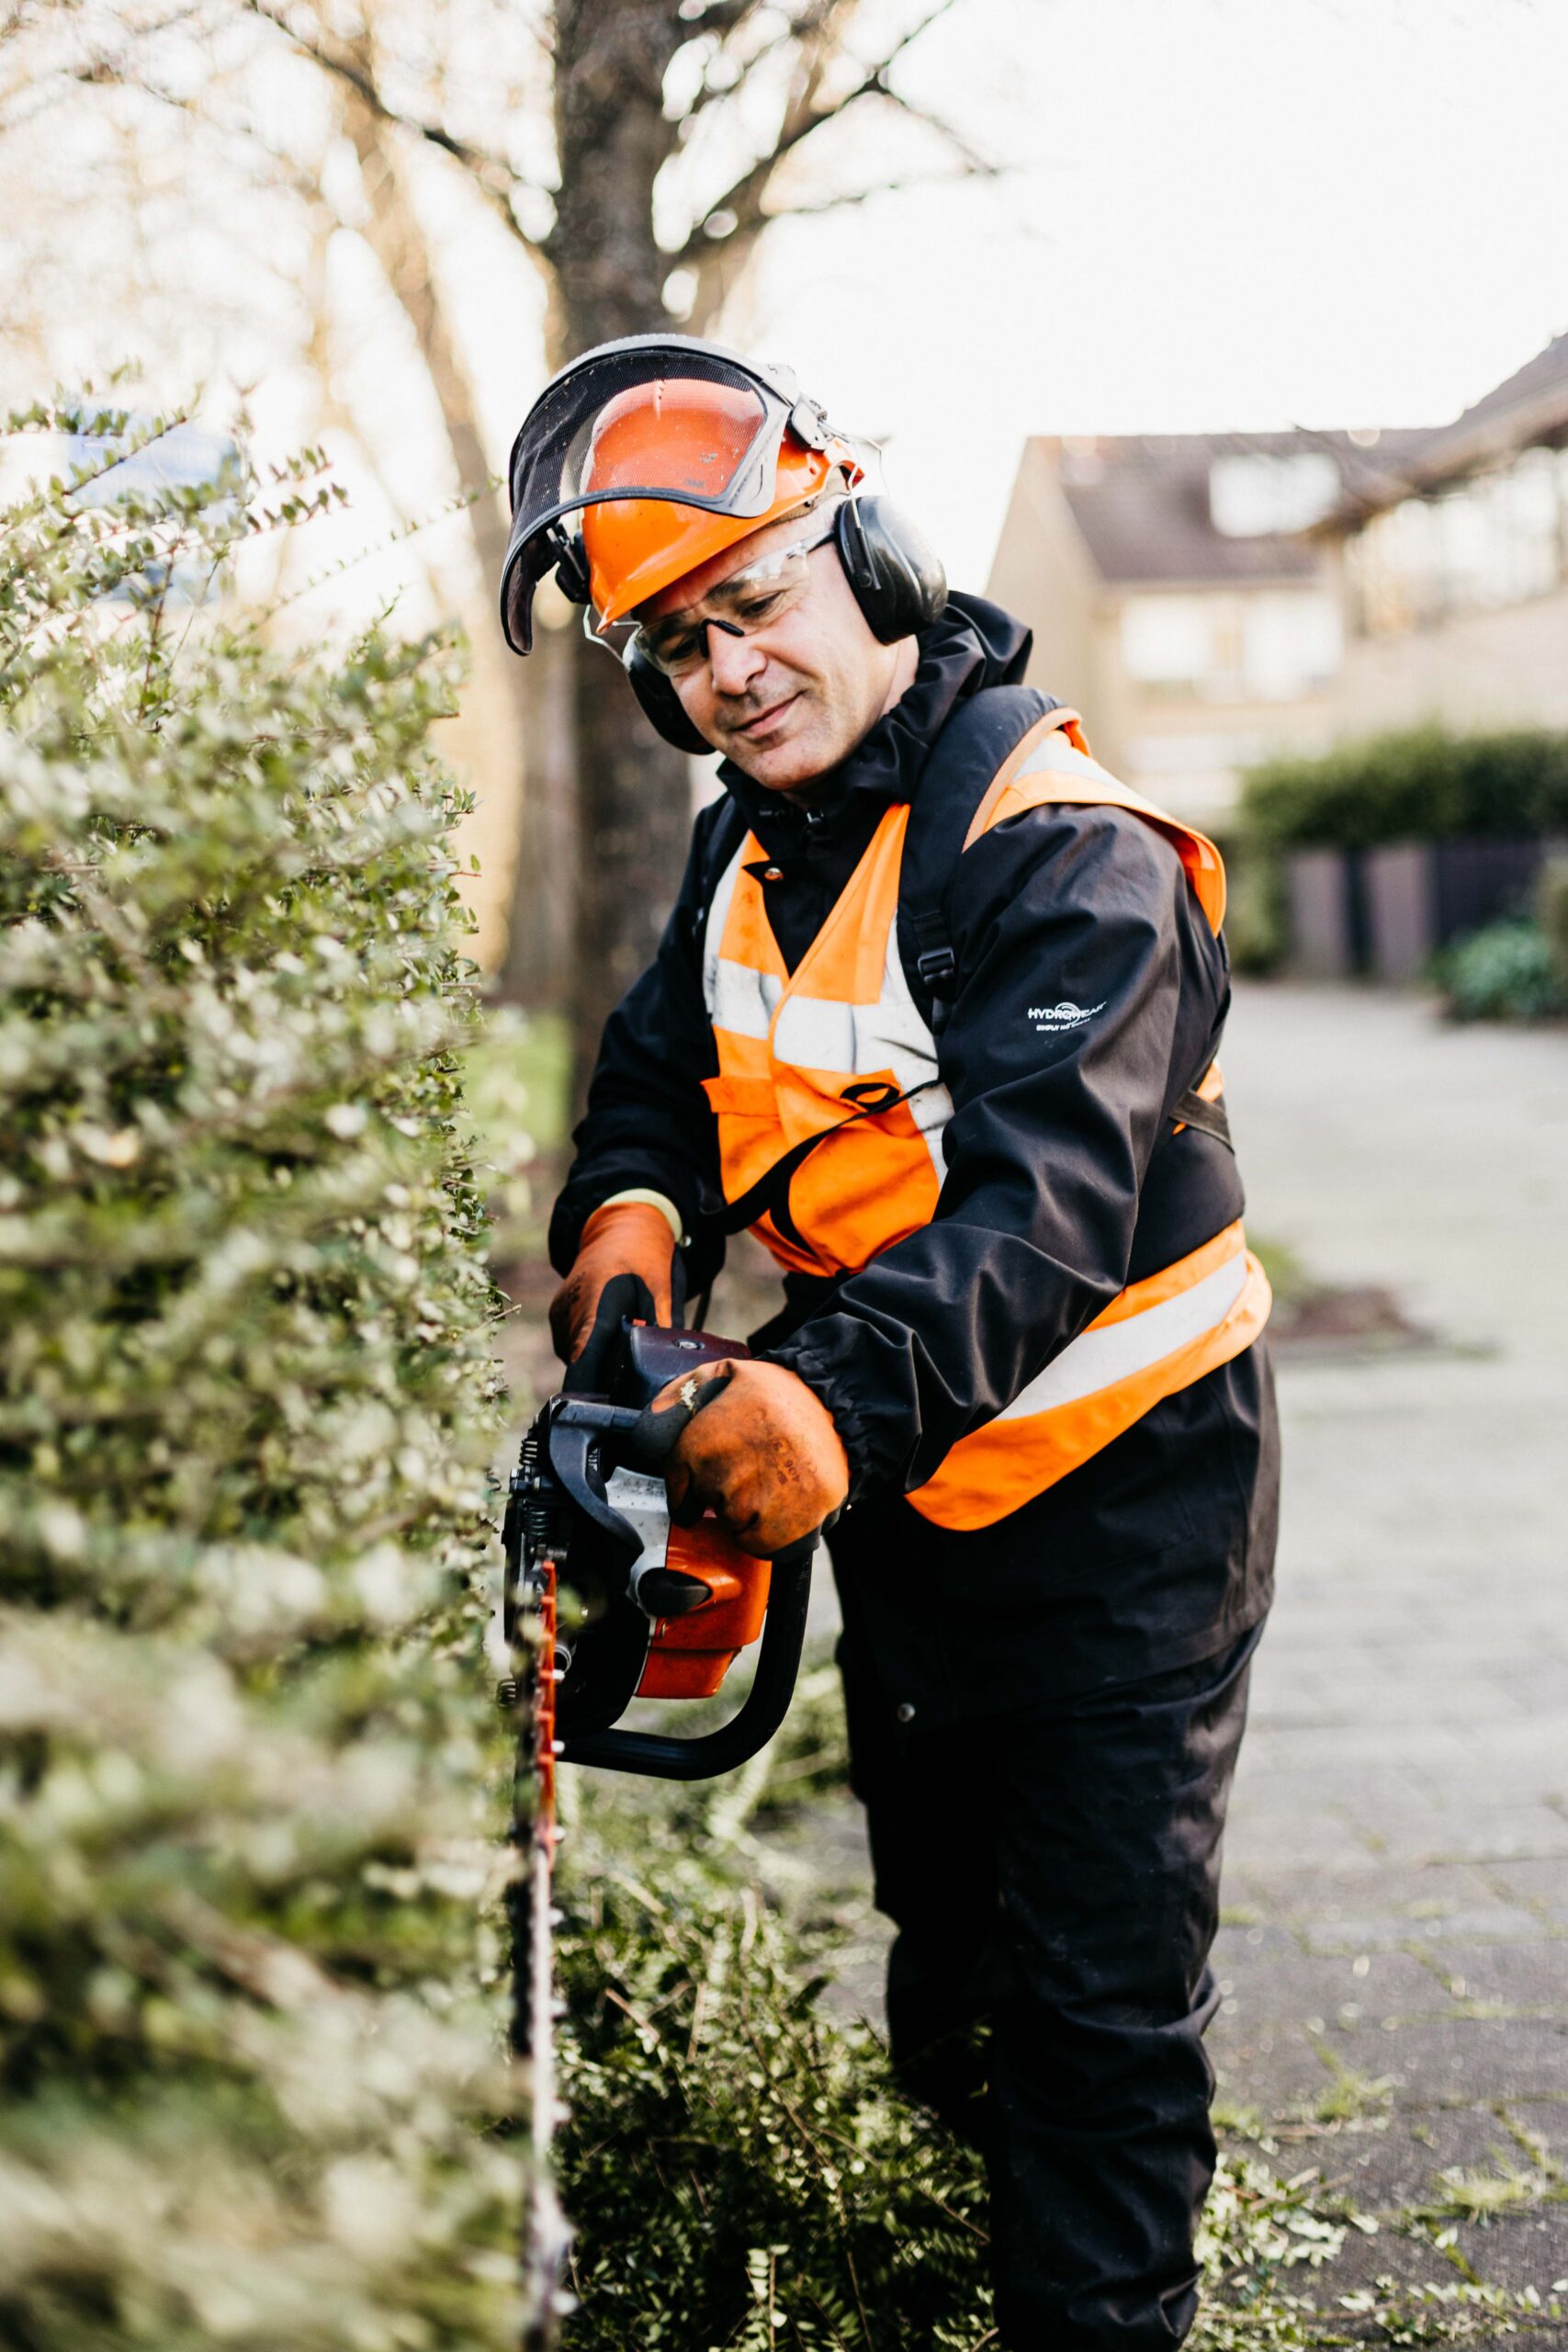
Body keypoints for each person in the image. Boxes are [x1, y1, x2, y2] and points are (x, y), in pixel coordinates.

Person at [500, 335, 1280, 2349]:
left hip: (1124, 1513)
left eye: (746, 600)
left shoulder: (1065, 847)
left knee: (1095, 2006)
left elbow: (1034, 1220)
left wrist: (805, 1403)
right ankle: (955, 2241)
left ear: (866, 550)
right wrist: (625, 1265)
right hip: (906, 1502)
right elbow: (657, 1079)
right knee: (946, 1948)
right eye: (671, 646)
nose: (722, 669)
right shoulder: (743, 843)